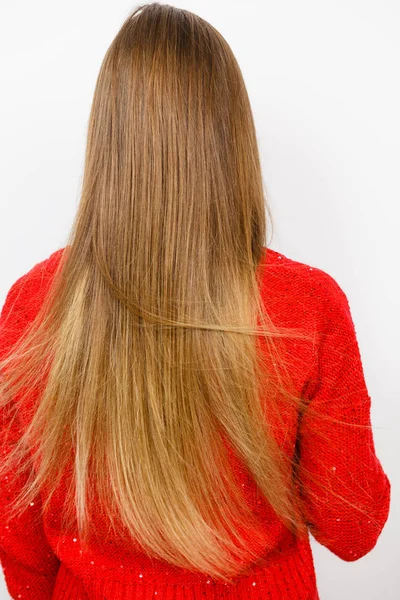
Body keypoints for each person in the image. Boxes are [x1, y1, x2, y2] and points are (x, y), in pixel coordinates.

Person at [0, 3, 390, 599]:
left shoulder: (33, 306)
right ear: (230, 138)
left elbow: (21, 548)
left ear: (110, 139)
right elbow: (354, 527)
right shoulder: (308, 306)